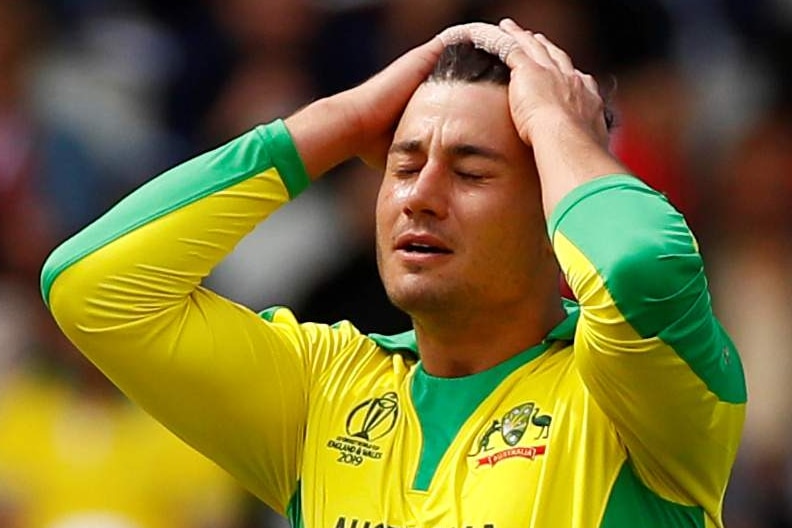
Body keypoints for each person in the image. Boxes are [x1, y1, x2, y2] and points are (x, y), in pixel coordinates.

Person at [40, 19, 746, 528]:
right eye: (403, 165)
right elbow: (93, 289)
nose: (419, 194)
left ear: (551, 209)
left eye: (470, 171)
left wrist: (559, 127)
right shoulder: (322, 389)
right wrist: (338, 121)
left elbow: (638, 266)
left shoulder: (634, 391)